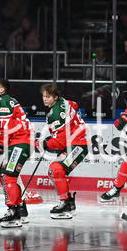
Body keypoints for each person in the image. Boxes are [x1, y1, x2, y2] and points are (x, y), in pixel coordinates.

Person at [0, 78, 33, 228]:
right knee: (6, 175)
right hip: (19, 142)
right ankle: (19, 207)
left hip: (20, 142)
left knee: (7, 175)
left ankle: (13, 212)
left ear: (2, 90)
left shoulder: (2, 102)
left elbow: (6, 130)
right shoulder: (6, 101)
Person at [37, 82, 89, 220]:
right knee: (53, 171)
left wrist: (44, 143)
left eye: (48, 96)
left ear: (55, 97)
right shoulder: (65, 102)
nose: (45, 99)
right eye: (43, 96)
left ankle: (65, 202)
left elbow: (59, 142)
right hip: (73, 143)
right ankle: (68, 202)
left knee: (56, 169)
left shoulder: (55, 114)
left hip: (78, 144)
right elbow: (75, 105)